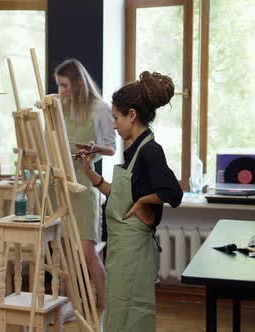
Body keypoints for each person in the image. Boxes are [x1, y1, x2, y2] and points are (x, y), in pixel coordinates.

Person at [78, 71, 183, 331]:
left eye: (116, 118)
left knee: (131, 313)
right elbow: (120, 196)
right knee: (118, 310)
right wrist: (91, 174)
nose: (114, 125)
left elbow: (173, 192)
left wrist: (142, 202)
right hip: (122, 249)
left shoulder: (150, 150)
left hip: (134, 251)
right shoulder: (134, 148)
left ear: (132, 115)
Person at [53, 59, 116, 321]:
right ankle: (73, 306)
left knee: (88, 253)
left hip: (85, 185)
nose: (61, 90)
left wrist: (93, 148)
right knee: (66, 253)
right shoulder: (60, 107)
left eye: (64, 85)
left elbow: (111, 148)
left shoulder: (100, 108)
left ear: (78, 83)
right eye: (59, 85)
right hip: (62, 185)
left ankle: (108, 307)